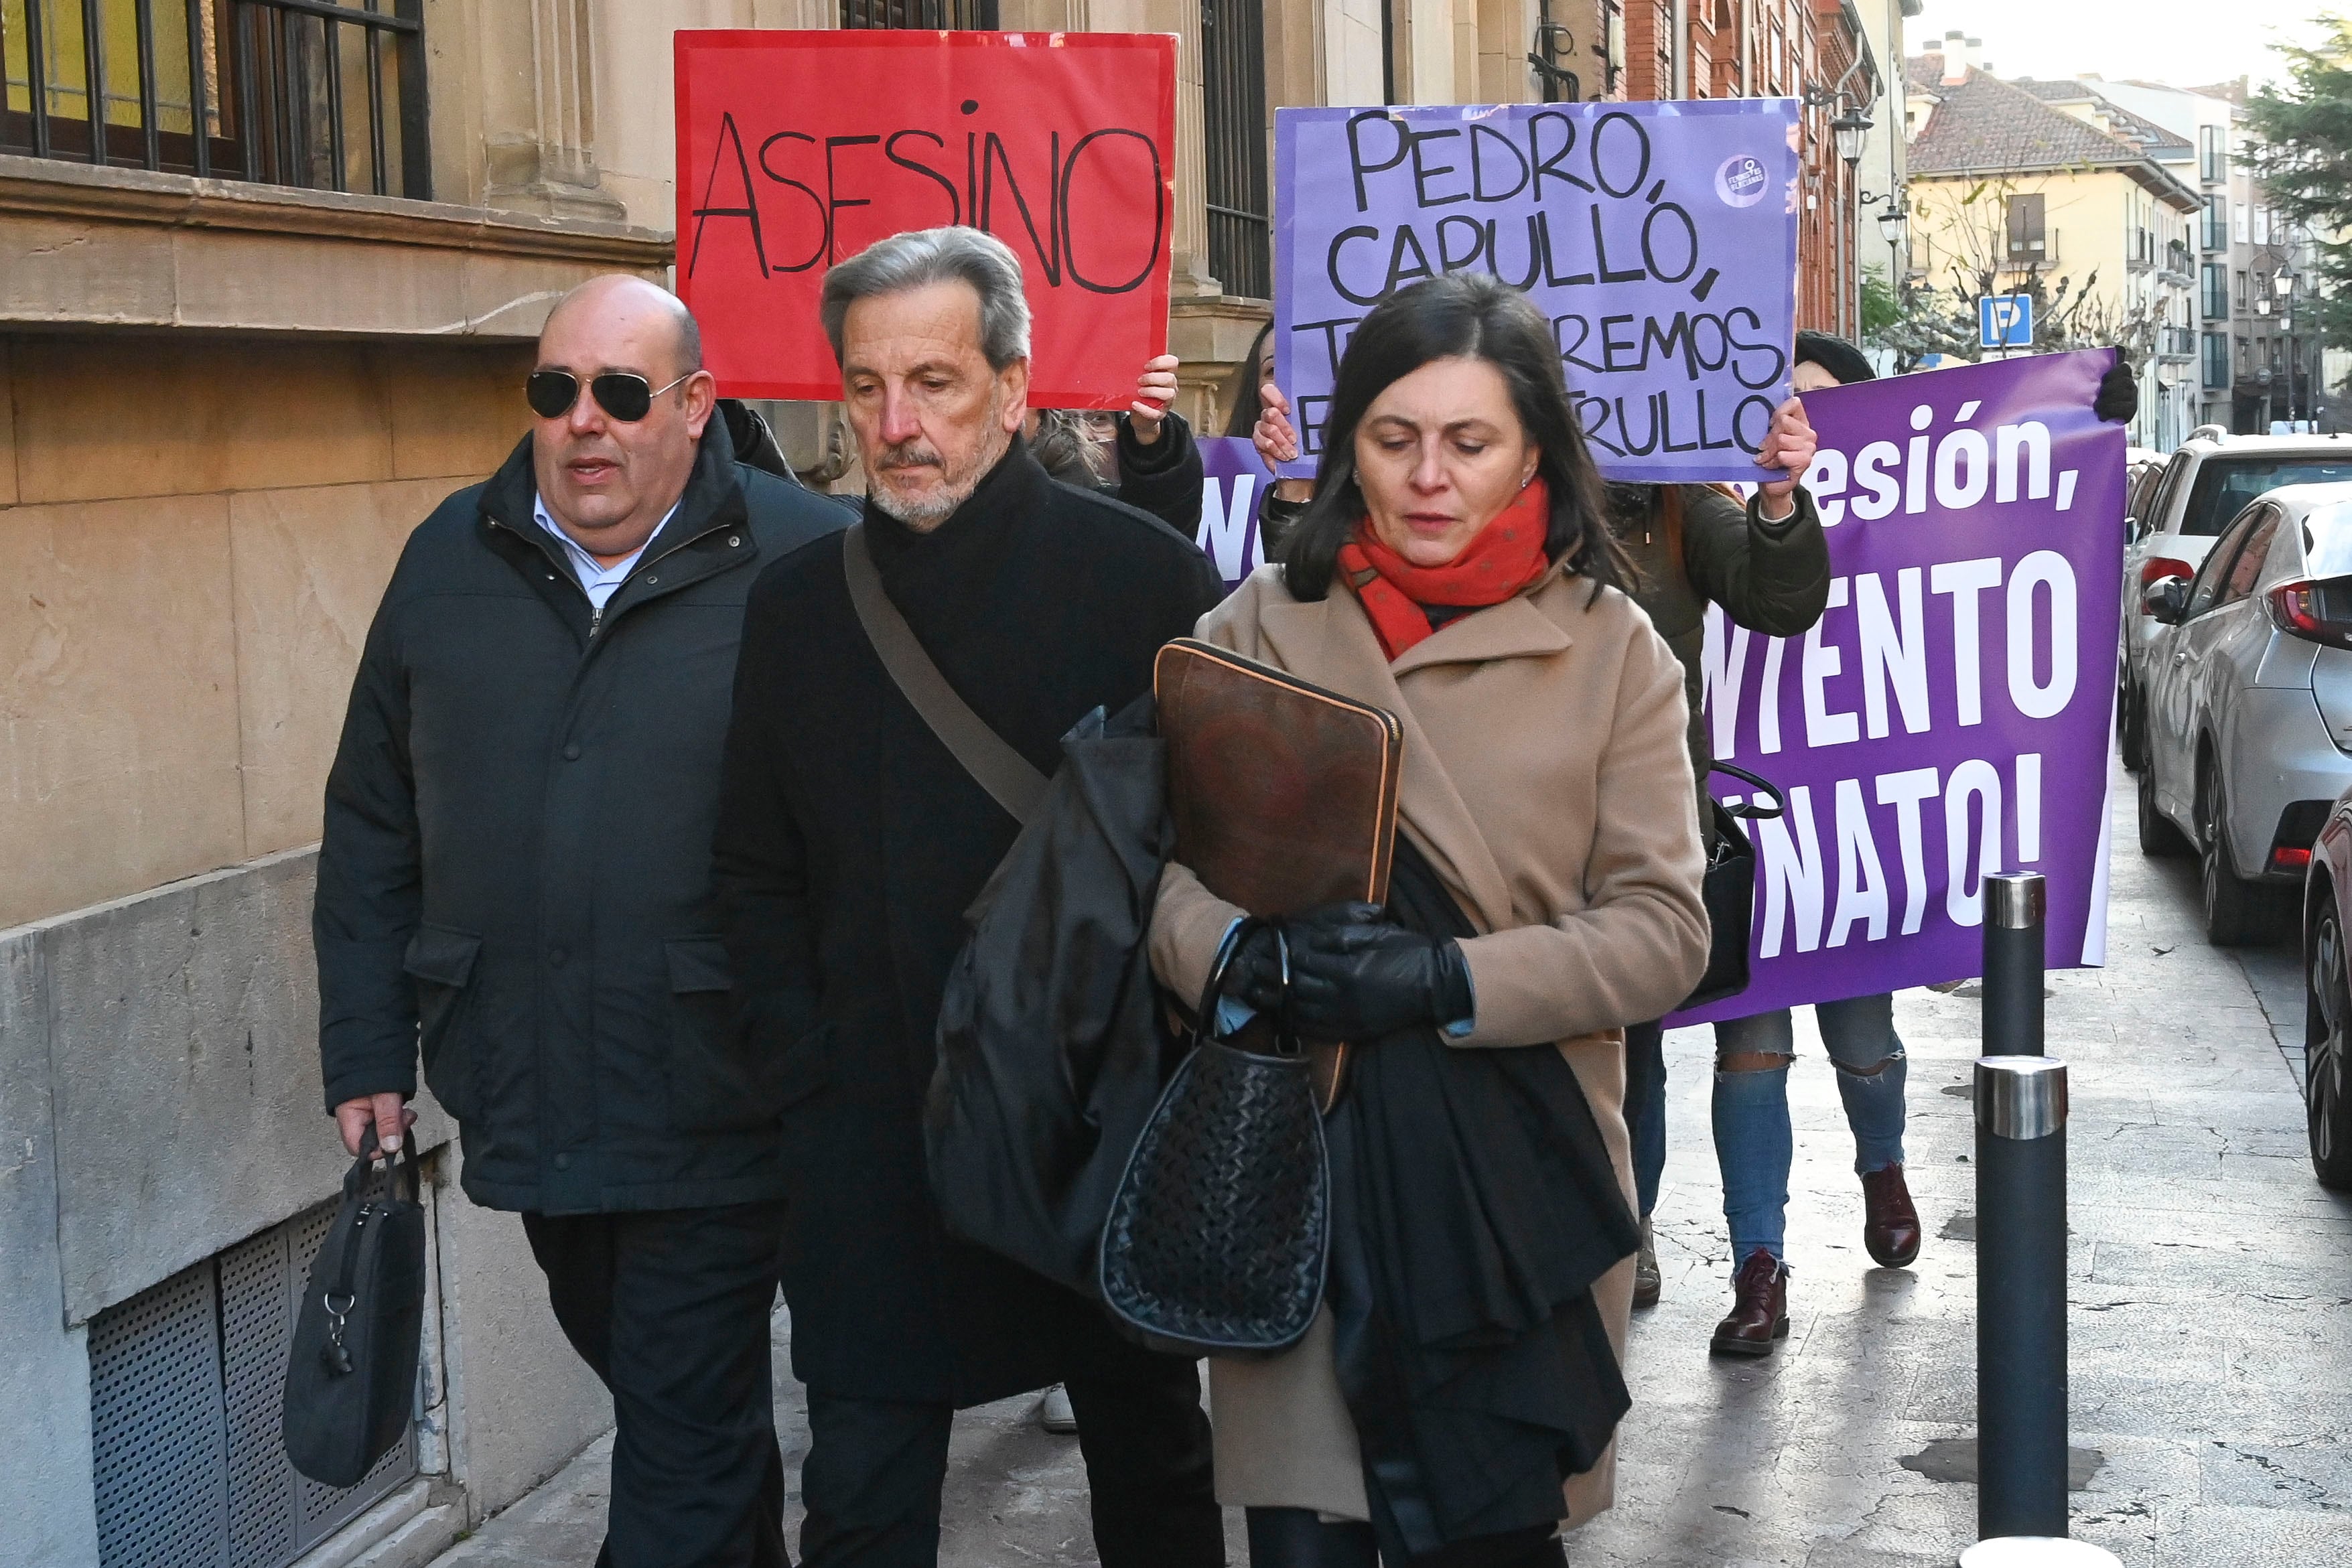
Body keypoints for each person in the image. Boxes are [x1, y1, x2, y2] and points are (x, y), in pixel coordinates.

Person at [1152, 272, 1722, 1568]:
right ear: (1348, 442)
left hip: (1508, 1193)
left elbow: (1661, 934)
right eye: (1394, 438)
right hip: (1296, 1176)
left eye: (1469, 442)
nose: (1427, 477)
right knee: (1307, 1540)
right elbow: (1160, 881)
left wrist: (1444, 980)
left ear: (1534, 451)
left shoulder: (1614, 652)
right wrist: (1241, 954)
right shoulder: (1251, 629)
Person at [313, 275, 848, 1567]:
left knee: (677, 1438)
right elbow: (372, 815)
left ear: (696, 406)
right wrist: (366, 1045)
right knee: (690, 1417)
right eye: (555, 392)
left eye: (619, 393)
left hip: (722, 1088)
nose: (583, 424)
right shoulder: (449, 555)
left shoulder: (808, 559)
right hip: (524, 1080)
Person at [711, 226, 1225, 1568]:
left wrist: (1160, 1080)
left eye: (933, 382)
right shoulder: (795, 610)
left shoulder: (1146, 582)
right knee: (865, 1501)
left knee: (1154, 1469)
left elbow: (1216, 852)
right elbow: (752, 873)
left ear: (1010, 387)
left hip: (1094, 1131)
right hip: (873, 1142)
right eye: (868, 387)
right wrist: (804, 1070)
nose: (897, 423)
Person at [1702, 331, 2142, 1356]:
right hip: (1753, 816)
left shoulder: (1910, 503)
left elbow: (2015, 484)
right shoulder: (1716, 505)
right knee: (1747, 1049)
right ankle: (1755, 1266)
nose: (1796, 421)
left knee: (1860, 1040)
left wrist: (2091, 406)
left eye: (1820, 406)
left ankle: (1880, 1162)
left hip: (1852, 811)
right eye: (1783, 403)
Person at [1606, 358, 1837, 1315]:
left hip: (1646, 832)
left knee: (1633, 1049)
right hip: (1516, 835)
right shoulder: (1497, 490)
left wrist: (1778, 499)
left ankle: (1631, 1230)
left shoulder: (1674, 505)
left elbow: (1779, 600)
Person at [1028, 352, 1206, 538]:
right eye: (1065, 420)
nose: (1084, 433)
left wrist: (1149, 433)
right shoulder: (1020, 494)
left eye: (1099, 419)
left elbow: (1165, 528)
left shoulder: (1125, 506)